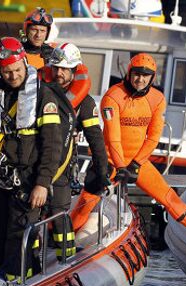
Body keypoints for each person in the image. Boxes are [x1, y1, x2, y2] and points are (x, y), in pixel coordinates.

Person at [74, 53, 186, 251]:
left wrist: (135, 164)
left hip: (136, 162)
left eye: (146, 75)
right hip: (109, 161)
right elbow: (114, 138)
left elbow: (153, 137)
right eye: (136, 74)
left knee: (169, 197)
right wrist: (122, 167)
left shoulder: (157, 99)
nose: (140, 79)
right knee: (86, 201)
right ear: (129, 73)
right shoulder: (113, 96)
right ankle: (61, 239)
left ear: (152, 77)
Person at [0, 36, 62, 281]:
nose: (13, 76)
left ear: (25, 64)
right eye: (6, 72)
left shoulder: (44, 96)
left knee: (20, 234)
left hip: (27, 180)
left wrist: (42, 183)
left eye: (17, 70)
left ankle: (20, 283)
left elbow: (52, 145)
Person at [46, 43, 110, 258]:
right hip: (36, 165)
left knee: (59, 214)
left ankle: (66, 258)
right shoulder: (38, 94)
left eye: (65, 69)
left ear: (75, 71)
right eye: (56, 68)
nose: (59, 73)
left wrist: (102, 171)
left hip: (62, 169)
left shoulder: (85, 102)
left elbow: (96, 140)